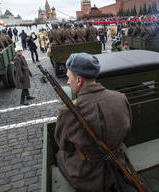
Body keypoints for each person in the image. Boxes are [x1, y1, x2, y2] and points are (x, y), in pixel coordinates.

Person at [55, 53, 132, 192]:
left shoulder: (68, 111)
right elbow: (127, 129)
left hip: (89, 175)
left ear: (79, 80)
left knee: (60, 155)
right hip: (119, 162)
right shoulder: (120, 98)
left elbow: (64, 145)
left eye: (68, 77)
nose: (67, 82)